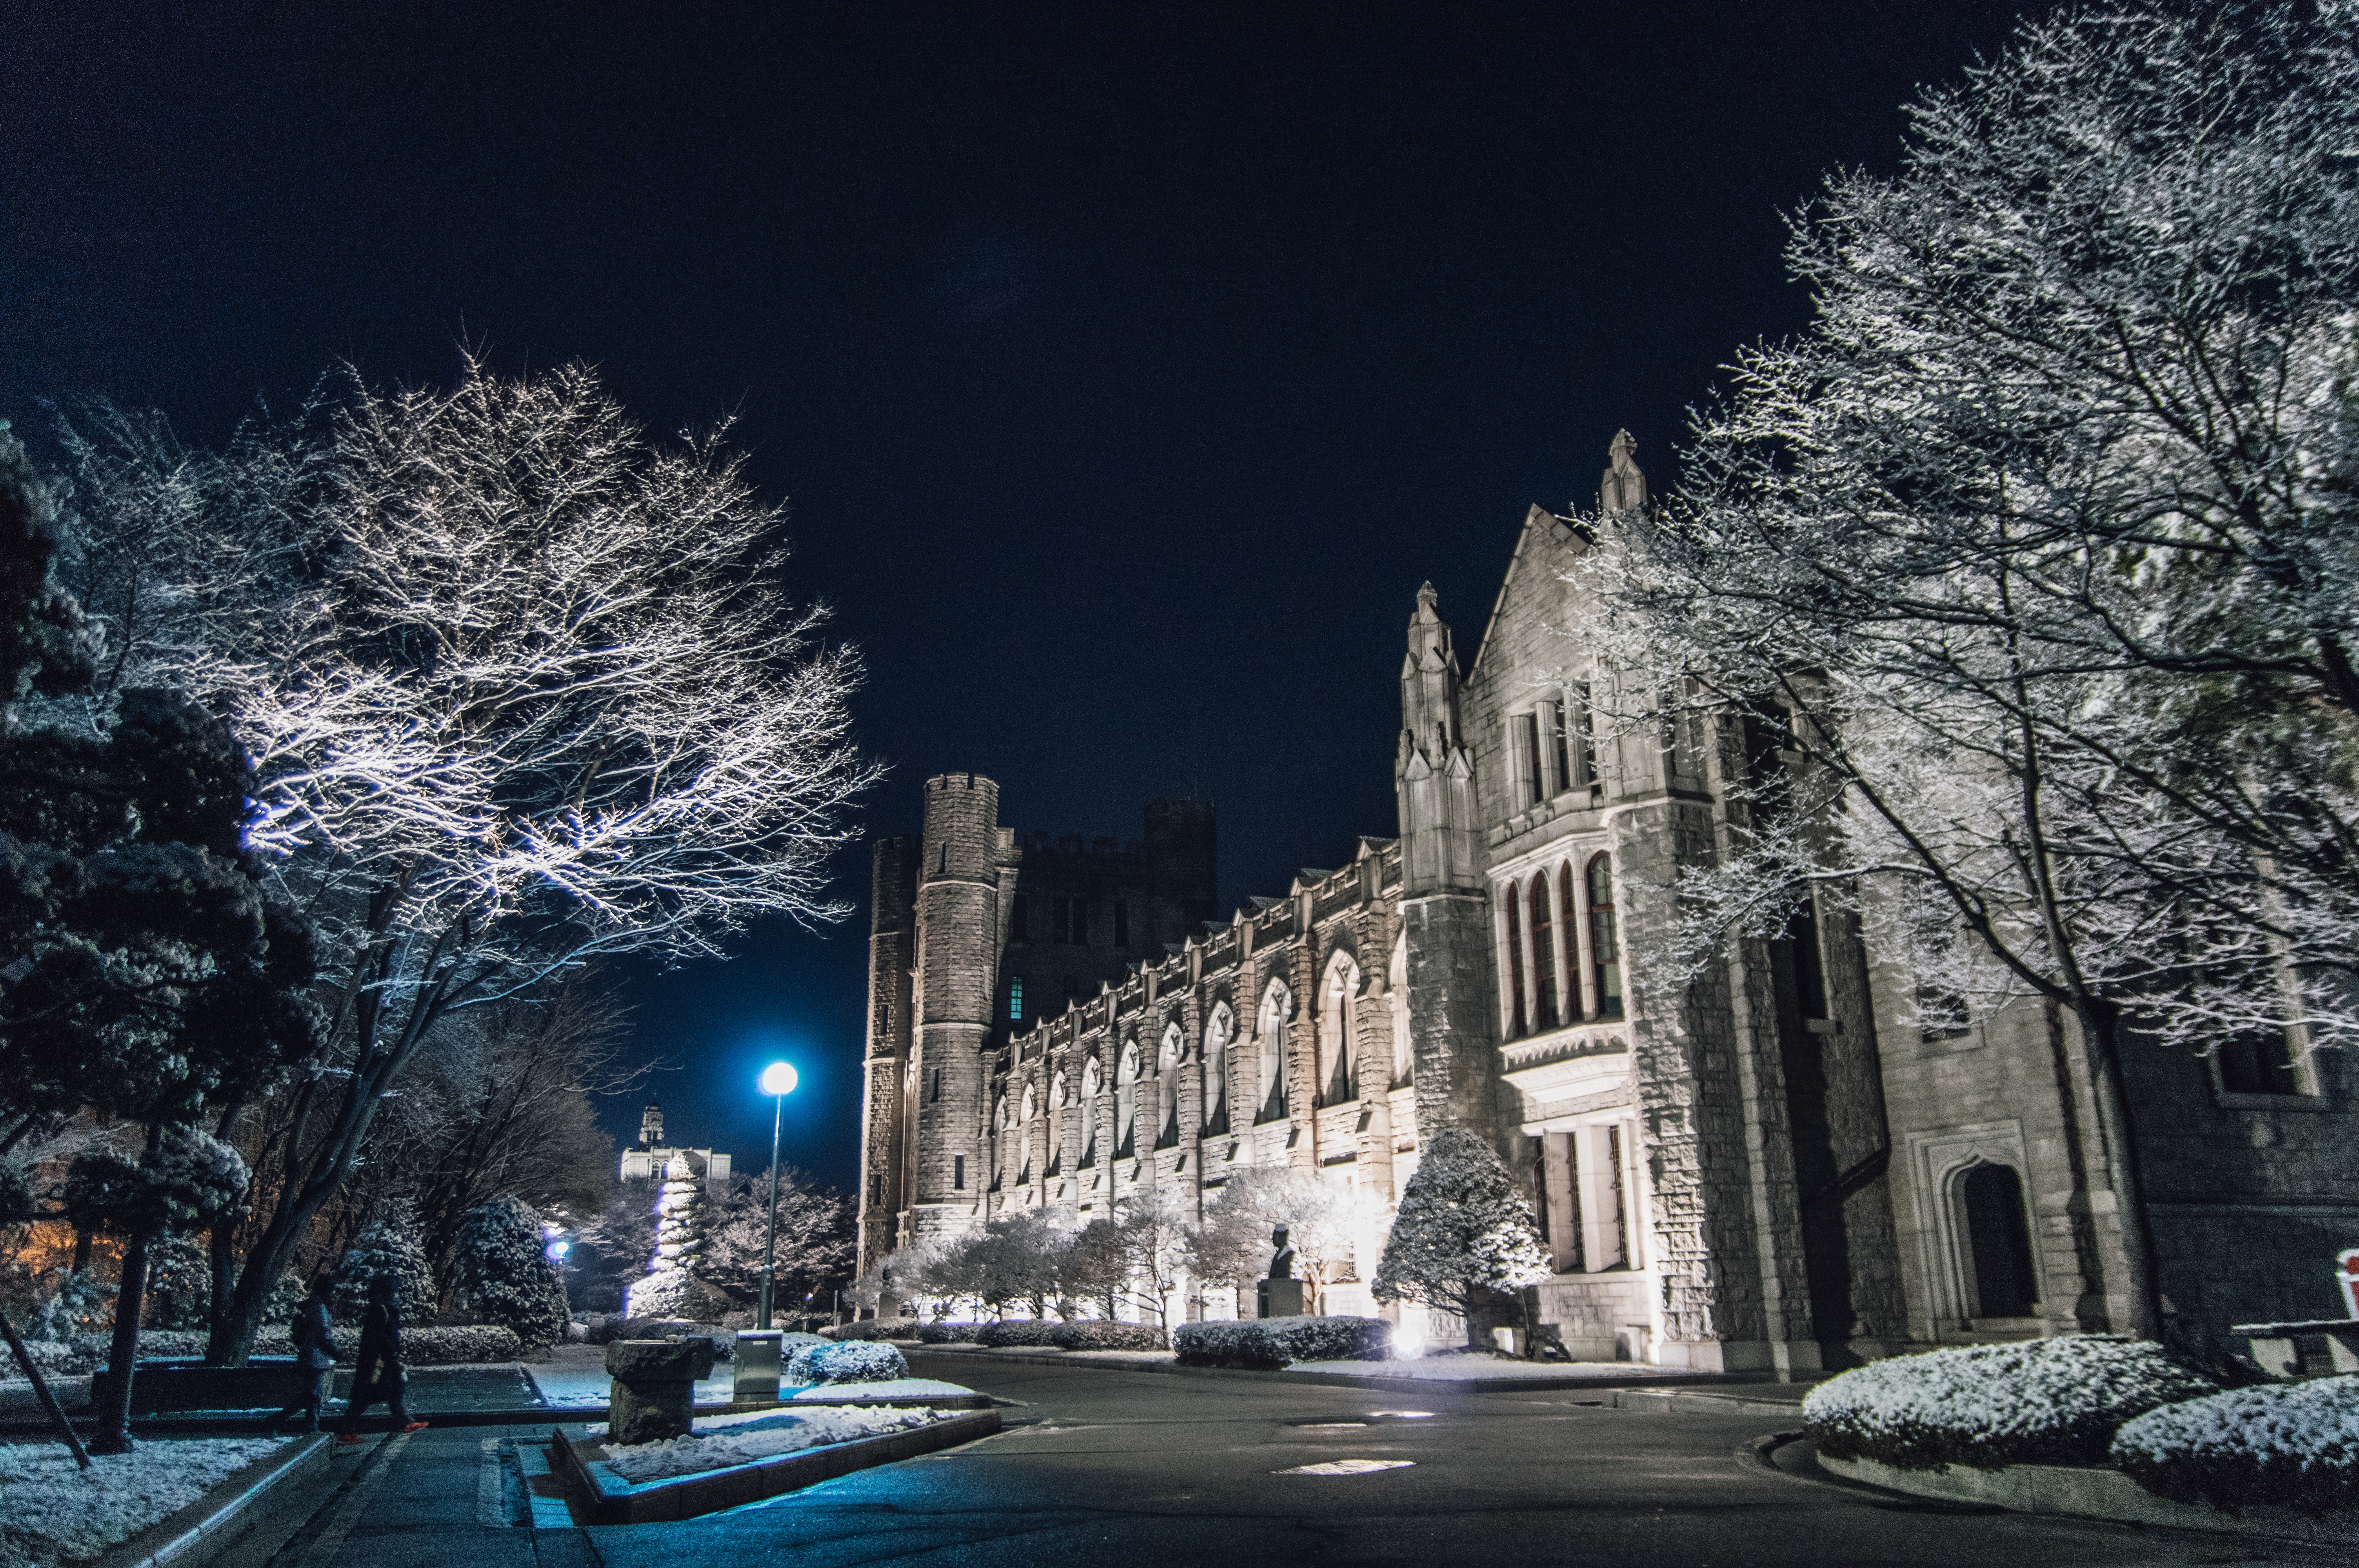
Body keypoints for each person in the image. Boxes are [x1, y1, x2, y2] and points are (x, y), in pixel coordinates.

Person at [334, 1275, 428, 1445]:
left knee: (394, 1390)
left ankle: (406, 1422)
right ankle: (345, 1431)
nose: (396, 1295)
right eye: (393, 1292)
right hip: (378, 1363)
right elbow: (379, 1336)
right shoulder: (380, 1310)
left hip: (384, 1361)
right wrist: (391, 1350)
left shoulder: (384, 1309)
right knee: (367, 1394)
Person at [276, 1274, 337, 1432]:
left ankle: (279, 1420)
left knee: (310, 1394)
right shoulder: (320, 1308)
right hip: (316, 1357)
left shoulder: (312, 1305)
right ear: (326, 1290)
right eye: (331, 1290)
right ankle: (311, 1427)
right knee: (314, 1395)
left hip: (310, 1355)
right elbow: (323, 1333)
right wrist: (335, 1351)